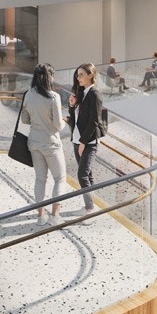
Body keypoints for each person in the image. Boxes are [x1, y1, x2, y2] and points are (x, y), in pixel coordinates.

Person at [18, 65, 70, 223]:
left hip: (33, 142)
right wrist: (65, 120)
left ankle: (41, 216)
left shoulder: (28, 94)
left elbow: (25, 120)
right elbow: (57, 125)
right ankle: (55, 216)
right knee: (60, 178)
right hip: (51, 144)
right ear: (50, 77)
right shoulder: (53, 97)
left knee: (40, 179)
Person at [70, 64, 104, 210]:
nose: (79, 78)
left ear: (91, 75)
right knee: (88, 176)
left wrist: (83, 142)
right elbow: (76, 119)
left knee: (82, 175)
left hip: (88, 142)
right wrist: (72, 106)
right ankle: (92, 206)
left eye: (82, 74)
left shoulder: (94, 94)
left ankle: (89, 208)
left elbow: (94, 120)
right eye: (78, 75)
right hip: (77, 140)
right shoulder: (82, 93)